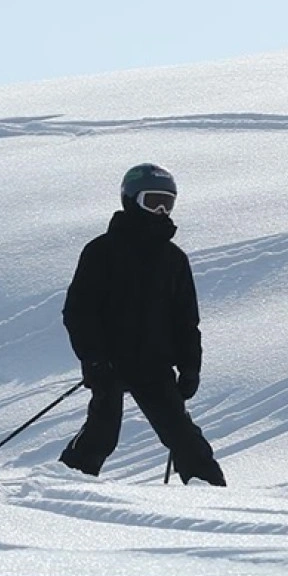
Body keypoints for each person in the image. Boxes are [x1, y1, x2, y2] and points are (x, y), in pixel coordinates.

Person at [58, 163, 226, 486]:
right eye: (153, 202)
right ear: (130, 200)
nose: (161, 211)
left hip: (153, 365)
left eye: (168, 203)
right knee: (103, 433)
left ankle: (214, 496)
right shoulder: (101, 252)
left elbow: (186, 321)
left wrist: (190, 367)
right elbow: (79, 312)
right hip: (109, 362)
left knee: (183, 437)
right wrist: (93, 357)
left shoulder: (174, 259)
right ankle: (63, 485)